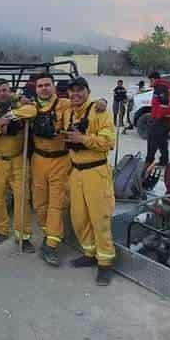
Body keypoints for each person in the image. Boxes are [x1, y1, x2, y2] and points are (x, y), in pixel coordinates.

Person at [62, 77, 117, 286]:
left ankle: (105, 263)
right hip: (76, 172)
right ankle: (89, 253)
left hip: (96, 172)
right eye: (72, 91)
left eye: (80, 90)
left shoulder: (100, 111)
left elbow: (108, 142)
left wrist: (83, 139)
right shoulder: (68, 111)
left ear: (88, 91)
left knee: (99, 219)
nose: (75, 94)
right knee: (79, 217)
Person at [0, 79, 37, 248]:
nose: (2, 94)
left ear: (10, 91)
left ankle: (23, 236)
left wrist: (10, 116)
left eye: (5, 90)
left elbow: (32, 110)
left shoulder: (20, 105)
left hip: (18, 159)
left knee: (22, 198)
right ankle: (1, 230)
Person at [29, 73, 72, 266]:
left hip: (59, 160)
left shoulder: (65, 104)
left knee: (56, 203)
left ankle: (51, 245)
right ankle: (49, 234)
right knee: (39, 203)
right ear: (35, 89)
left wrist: (102, 102)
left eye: (47, 85)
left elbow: (85, 105)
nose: (44, 88)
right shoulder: (30, 107)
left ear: (53, 87)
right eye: (40, 86)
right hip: (38, 160)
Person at [144, 71, 170, 173]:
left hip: (161, 120)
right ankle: (164, 161)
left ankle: (148, 162)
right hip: (165, 120)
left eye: (150, 80)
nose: (150, 82)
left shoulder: (160, 88)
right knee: (162, 141)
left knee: (152, 140)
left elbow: (164, 105)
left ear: (154, 79)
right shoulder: (162, 87)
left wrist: (156, 119)